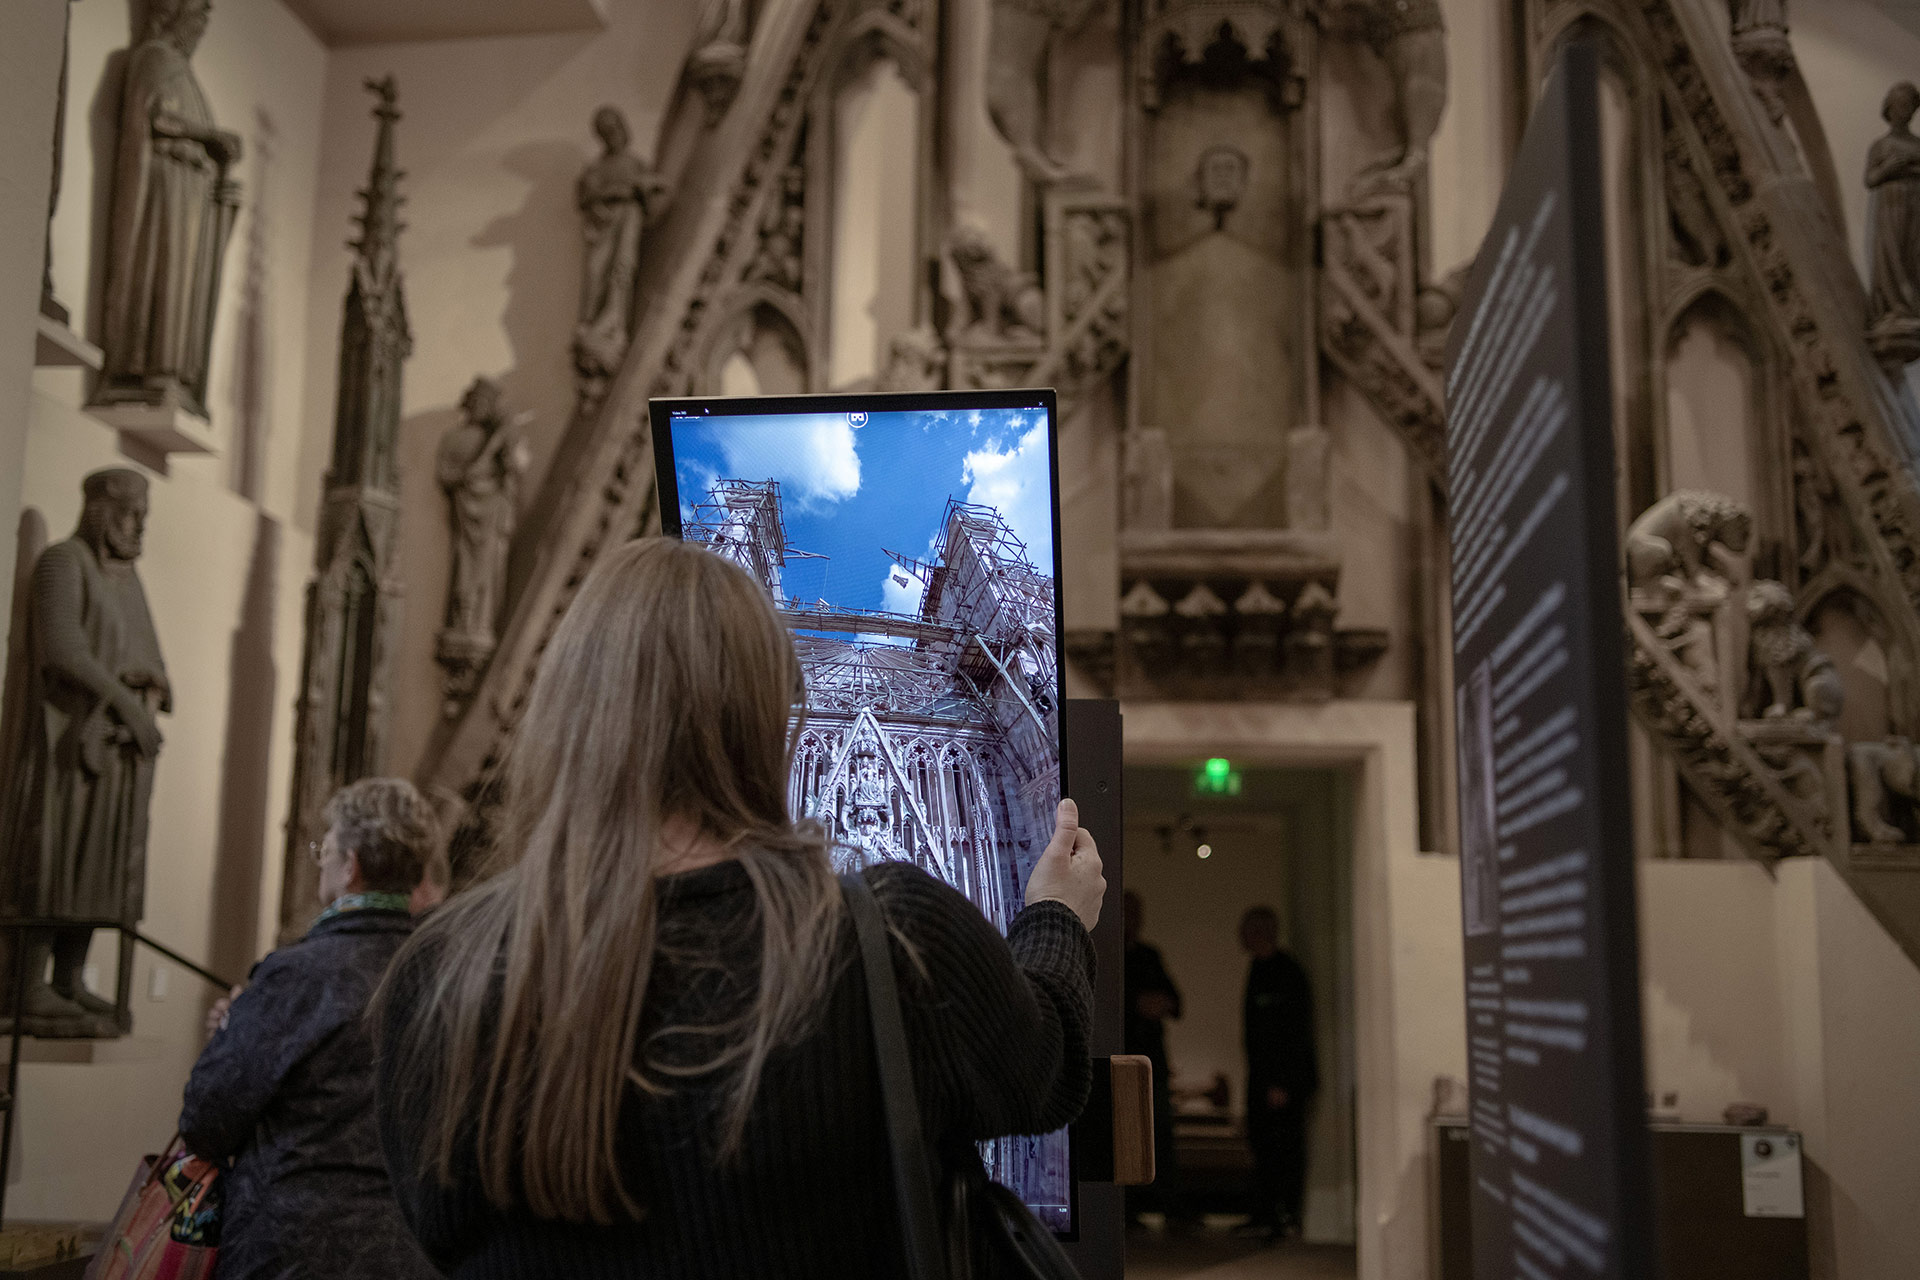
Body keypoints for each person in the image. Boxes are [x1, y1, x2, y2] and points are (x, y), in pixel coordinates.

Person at [373, 537, 1104, 1277]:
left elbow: (436, 1233)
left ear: (562, 711)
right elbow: (1046, 1075)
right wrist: (1058, 916)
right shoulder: (895, 940)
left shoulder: (438, 973)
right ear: (769, 719)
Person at [180, 778, 441, 1280]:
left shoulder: (297, 976)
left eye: (327, 847)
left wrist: (233, 1031)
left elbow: (206, 1118)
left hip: (292, 1246)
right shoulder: (446, 972)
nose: (319, 859)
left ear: (351, 867)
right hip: (415, 1246)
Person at [1239, 905, 1317, 1242]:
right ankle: (1266, 1212)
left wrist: (1283, 1082)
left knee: (1284, 1147)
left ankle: (1285, 1214)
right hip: (1261, 1076)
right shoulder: (1257, 968)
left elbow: (1294, 1032)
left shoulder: (1287, 972)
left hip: (1284, 1080)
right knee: (1262, 1144)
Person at [1123, 890, 1183, 1226]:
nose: (1134, 919)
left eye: (1137, 912)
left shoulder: (1149, 956)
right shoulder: (1109, 954)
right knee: (1127, 1134)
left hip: (1153, 1062)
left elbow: (1176, 1002)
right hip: (1124, 1058)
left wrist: (1160, 1003)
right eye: (1129, 912)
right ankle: (1128, 1209)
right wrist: (1137, 1005)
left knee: (1161, 1132)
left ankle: (1171, 1207)